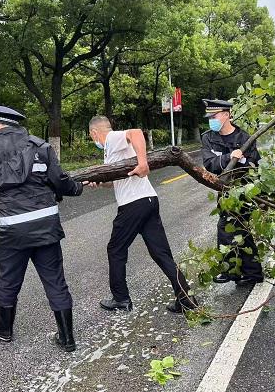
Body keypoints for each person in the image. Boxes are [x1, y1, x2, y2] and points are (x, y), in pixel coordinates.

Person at [0, 104, 85, 352]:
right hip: (45, 227)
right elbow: (60, 181)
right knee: (55, 280)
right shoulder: (41, 147)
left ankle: (4, 329)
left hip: (12, 232)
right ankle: (67, 338)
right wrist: (77, 187)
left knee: (8, 280)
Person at [87, 116, 198, 313]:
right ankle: (186, 298)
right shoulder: (110, 150)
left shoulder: (112, 138)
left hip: (133, 204)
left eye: (91, 136)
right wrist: (100, 182)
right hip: (148, 201)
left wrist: (143, 162)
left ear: (94, 133)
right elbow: (116, 181)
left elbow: (136, 132)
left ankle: (121, 298)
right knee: (160, 253)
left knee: (115, 249)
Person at [201, 99, 264, 286]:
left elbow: (255, 164)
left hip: (243, 189)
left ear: (227, 115)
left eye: (214, 116)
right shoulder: (208, 138)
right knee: (239, 229)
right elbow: (209, 163)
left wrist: (242, 160)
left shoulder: (245, 138)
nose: (211, 120)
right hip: (224, 190)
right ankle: (252, 272)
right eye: (209, 117)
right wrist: (230, 157)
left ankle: (233, 271)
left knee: (228, 226)